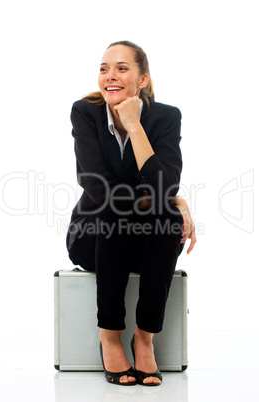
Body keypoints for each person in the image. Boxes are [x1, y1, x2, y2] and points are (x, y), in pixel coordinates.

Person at [66, 41, 196, 386]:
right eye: (104, 68)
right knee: (120, 212)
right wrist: (172, 201)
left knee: (167, 221)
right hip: (93, 236)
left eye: (122, 68)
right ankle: (109, 336)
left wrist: (135, 126)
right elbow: (96, 185)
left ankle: (144, 337)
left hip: (143, 245)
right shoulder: (86, 112)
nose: (110, 76)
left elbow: (164, 184)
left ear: (142, 80)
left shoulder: (166, 117)